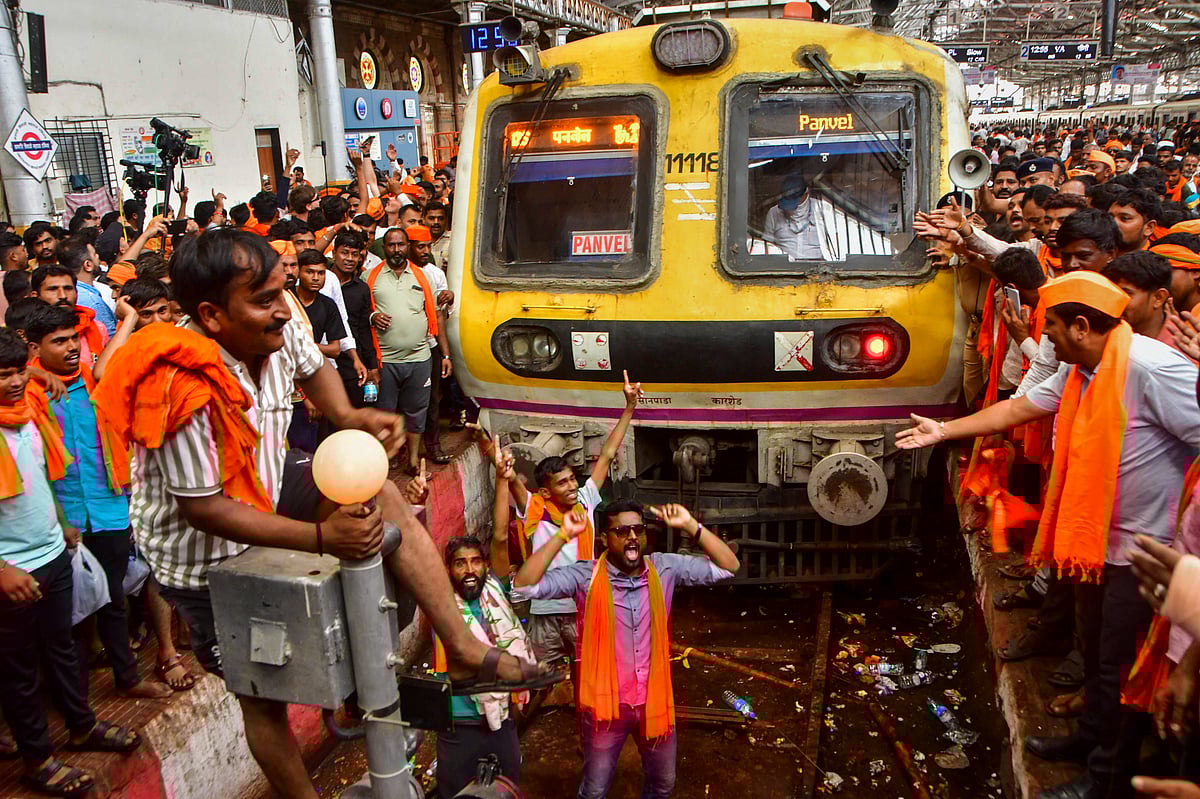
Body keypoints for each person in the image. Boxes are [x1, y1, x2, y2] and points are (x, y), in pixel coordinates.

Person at [90, 229, 560, 799]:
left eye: (281, 292)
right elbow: (206, 510)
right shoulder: (181, 385)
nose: (282, 311)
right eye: (263, 300)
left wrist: (347, 415)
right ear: (212, 316)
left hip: (263, 486)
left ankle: (460, 648)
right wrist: (320, 536)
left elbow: (313, 368)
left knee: (381, 494)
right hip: (208, 551)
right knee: (262, 694)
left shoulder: (276, 324)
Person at [897, 271, 1200, 799]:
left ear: (1081, 326)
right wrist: (943, 431)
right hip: (1093, 543)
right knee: (1097, 654)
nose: (1045, 338)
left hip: (1143, 553)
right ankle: (1088, 743)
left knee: (1116, 669)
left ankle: (1105, 780)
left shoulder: (1154, 369)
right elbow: (1022, 406)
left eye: (1053, 328)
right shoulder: (1083, 368)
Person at [514, 500, 740, 799]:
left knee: (663, 784)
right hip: (606, 707)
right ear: (604, 539)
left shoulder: (665, 568)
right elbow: (524, 585)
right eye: (621, 531)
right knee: (594, 790)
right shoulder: (586, 576)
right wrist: (562, 536)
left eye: (638, 529)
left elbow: (729, 567)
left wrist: (691, 526)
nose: (632, 537)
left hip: (653, 703)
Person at [0, 326, 142, 797]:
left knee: (63, 646)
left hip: (51, 551)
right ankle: (37, 759)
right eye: (4, 376)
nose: (16, 382)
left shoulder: (31, 414)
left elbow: (44, 476)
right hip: (11, 571)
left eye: (19, 371)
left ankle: (82, 725)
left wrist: (60, 524)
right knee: (20, 670)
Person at [23, 304, 173, 701]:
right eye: (59, 342)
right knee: (60, 618)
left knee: (113, 598)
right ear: (35, 348)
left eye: (74, 338)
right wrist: (31, 373)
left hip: (107, 506)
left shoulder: (97, 381)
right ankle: (69, 699)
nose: (72, 347)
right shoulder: (27, 393)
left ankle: (126, 678)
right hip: (59, 517)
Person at [508, 373, 642, 674]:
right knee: (542, 675)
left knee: (593, 671)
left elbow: (607, 454)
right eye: (562, 483)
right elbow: (512, 481)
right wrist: (491, 452)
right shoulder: (534, 509)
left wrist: (629, 408)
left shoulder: (586, 498)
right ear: (545, 491)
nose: (571, 486)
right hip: (544, 610)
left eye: (572, 479)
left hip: (584, 605)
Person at [433, 448, 532, 797]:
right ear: (449, 570)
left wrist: (503, 478)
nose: (470, 569)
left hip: (501, 718)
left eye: (476, 561)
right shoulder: (439, 602)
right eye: (461, 564)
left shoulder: (497, 591)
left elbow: (501, 536)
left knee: (506, 789)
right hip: (457, 722)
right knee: (452, 791)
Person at [366, 227, 443, 476]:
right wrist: (373, 316)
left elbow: (435, 314)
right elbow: (359, 313)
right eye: (391, 245)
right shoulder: (371, 276)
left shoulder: (422, 276)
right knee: (385, 413)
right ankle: (386, 461)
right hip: (384, 361)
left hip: (420, 358)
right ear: (384, 248)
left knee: (416, 413)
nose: (396, 250)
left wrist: (444, 354)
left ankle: (412, 461)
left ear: (407, 246)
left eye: (401, 245)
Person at [762, 173, 891, 261]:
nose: (792, 208)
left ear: (806, 194)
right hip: (784, 270)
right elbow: (766, 246)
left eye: (796, 201)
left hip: (821, 269)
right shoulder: (774, 213)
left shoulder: (825, 210)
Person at [30, 266, 109, 367]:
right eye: (53, 289)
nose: (62, 296)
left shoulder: (98, 328)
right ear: (35, 296)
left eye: (68, 289)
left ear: (76, 293)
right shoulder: (25, 333)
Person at [1101, 251, 1175, 344]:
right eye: (1111, 292)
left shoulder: (1183, 348)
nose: (1113, 301)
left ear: (1158, 298)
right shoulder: (1098, 337)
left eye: (1125, 293)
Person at [55, 237, 117, 337]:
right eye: (94, 254)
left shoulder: (65, 293)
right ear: (88, 265)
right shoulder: (92, 301)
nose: (98, 256)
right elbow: (110, 340)